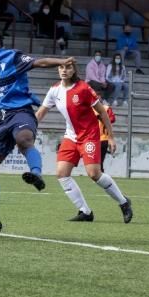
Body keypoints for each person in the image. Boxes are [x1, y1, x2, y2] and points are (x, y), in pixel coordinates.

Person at [0, 31, 67, 238]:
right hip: (3, 118)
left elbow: (39, 63)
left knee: (24, 140)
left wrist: (62, 60)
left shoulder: (11, 57)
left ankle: (36, 173)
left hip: (22, 112)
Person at [35, 59, 133, 224]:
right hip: (71, 136)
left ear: (74, 70)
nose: (64, 70)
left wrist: (110, 136)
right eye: (61, 67)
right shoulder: (54, 90)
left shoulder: (83, 88)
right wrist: (26, 128)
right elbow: (40, 113)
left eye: (68, 67)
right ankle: (85, 211)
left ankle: (124, 202)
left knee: (94, 174)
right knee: (61, 173)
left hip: (89, 135)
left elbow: (102, 112)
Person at [97, 100, 116, 173]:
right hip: (93, 138)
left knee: (99, 159)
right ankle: (100, 174)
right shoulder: (88, 108)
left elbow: (112, 119)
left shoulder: (106, 108)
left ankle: (100, 174)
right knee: (98, 160)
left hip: (103, 138)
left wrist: (102, 118)